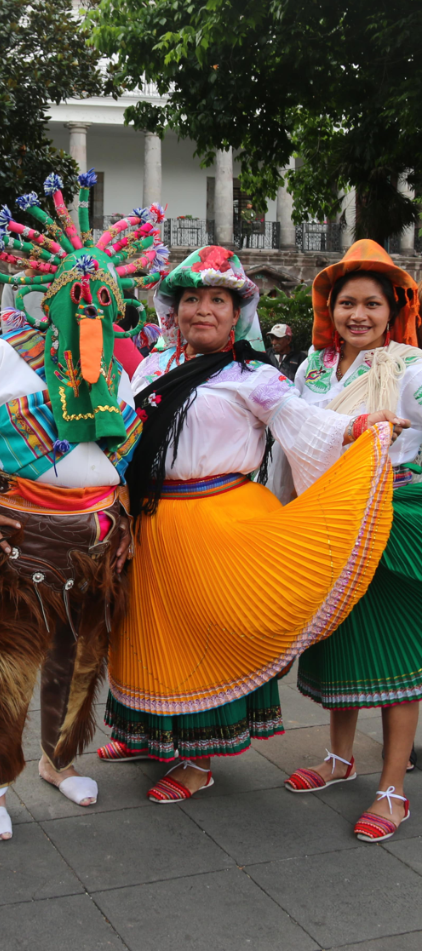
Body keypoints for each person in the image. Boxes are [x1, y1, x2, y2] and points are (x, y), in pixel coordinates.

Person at [96, 245, 402, 806]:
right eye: (192, 298)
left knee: (206, 638)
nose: (203, 310)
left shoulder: (253, 375)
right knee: (143, 631)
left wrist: (360, 426)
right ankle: (146, 734)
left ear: (237, 315)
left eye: (218, 299)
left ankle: (198, 760)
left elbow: (302, 422)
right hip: (150, 521)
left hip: (220, 520)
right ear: (174, 310)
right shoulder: (151, 367)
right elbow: (124, 440)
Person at [0, 170, 165, 841]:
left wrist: (121, 517)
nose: (91, 304)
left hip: (95, 532)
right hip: (21, 527)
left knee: (81, 657)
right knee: (4, 655)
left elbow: (120, 455)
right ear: (48, 296)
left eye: (103, 295)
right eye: (79, 294)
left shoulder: (115, 364)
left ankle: (60, 759)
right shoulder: (6, 354)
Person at [283, 241, 422, 843]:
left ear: (394, 310)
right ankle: (340, 759)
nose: (357, 315)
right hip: (328, 524)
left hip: (393, 521)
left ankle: (392, 788)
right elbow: (293, 444)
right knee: (339, 643)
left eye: (371, 304)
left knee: (394, 657)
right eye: (346, 304)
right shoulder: (311, 370)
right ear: (330, 308)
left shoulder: (411, 368)